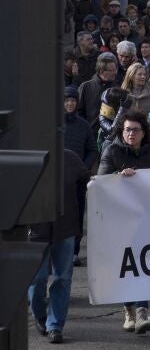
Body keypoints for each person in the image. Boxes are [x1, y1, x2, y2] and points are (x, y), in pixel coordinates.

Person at [96, 111, 150, 333]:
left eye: (135, 130)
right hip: (120, 220)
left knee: (144, 263)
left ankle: (142, 311)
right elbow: (101, 182)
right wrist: (118, 175)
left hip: (146, 218)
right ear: (121, 132)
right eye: (127, 130)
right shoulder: (112, 151)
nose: (131, 133)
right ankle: (128, 310)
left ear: (143, 133)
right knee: (126, 265)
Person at [27, 146, 88, 344]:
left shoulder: (71, 158)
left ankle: (55, 325)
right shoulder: (29, 158)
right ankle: (39, 315)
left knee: (63, 278)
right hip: (35, 229)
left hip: (65, 228)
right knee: (37, 279)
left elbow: (88, 185)